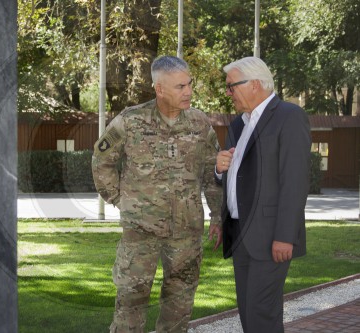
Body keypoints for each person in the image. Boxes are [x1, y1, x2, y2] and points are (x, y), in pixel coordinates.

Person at [92, 55, 223, 333]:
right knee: (130, 304)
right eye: (179, 87)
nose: (188, 91)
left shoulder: (200, 124)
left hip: (186, 232)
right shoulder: (130, 121)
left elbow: (211, 172)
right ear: (159, 88)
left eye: (189, 84)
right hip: (141, 232)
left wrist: (218, 215)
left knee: (179, 307)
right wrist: (117, 198)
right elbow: (101, 160)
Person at [215, 56, 311, 333]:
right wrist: (219, 169)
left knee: (261, 313)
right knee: (248, 310)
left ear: (255, 84)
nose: (228, 92)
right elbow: (238, 178)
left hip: (271, 236)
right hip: (240, 234)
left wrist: (285, 236)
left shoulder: (289, 117)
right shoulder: (238, 124)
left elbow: (294, 181)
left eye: (231, 86)